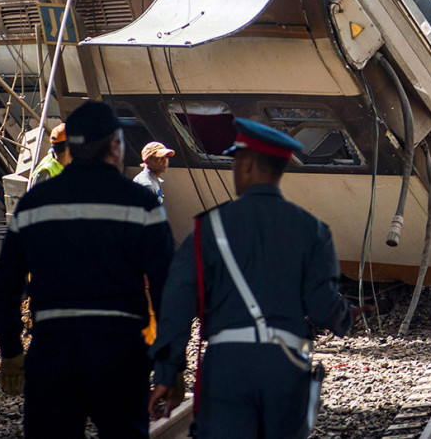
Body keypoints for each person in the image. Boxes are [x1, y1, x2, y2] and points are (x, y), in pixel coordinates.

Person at [148, 118, 365, 438]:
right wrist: (345, 318)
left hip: (227, 366)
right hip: (286, 366)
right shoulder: (312, 229)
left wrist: (166, 373)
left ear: (247, 165)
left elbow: (178, 303)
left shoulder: (209, 228)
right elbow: (322, 306)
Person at [0, 101, 174, 438]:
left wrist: (12, 351)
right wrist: (170, 364)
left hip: (53, 351)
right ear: (115, 145)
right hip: (120, 352)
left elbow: (6, 286)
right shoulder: (141, 204)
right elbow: (167, 289)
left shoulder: (35, 204)